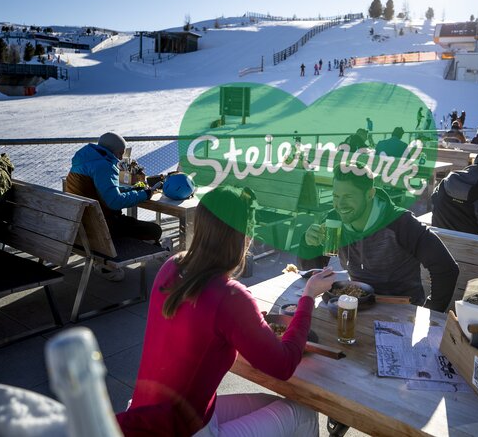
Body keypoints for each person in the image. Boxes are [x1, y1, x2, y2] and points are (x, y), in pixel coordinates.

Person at [120, 186, 332, 436]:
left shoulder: (172, 266)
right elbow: (283, 365)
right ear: (243, 236)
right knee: (302, 412)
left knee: (274, 404)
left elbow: (199, 322)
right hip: (183, 429)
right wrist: (308, 296)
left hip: (149, 418)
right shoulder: (230, 297)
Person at [300, 167, 459, 311]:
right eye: (336, 195)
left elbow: (446, 268)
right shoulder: (334, 219)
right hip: (355, 305)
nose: (339, 204)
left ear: (370, 194)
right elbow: (314, 271)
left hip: (401, 310)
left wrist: (431, 312)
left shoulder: (400, 223)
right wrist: (308, 245)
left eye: (348, 196)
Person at [65, 132, 166, 281]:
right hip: (101, 229)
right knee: (155, 230)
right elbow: (115, 201)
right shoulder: (104, 165)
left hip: (81, 225)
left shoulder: (85, 161)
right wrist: (146, 194)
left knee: (136, 226)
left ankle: (108, 261)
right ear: (114, 151)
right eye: (120, 153)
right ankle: (107, 264)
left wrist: (133, 190)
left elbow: (103, 190)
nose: (120, 157)